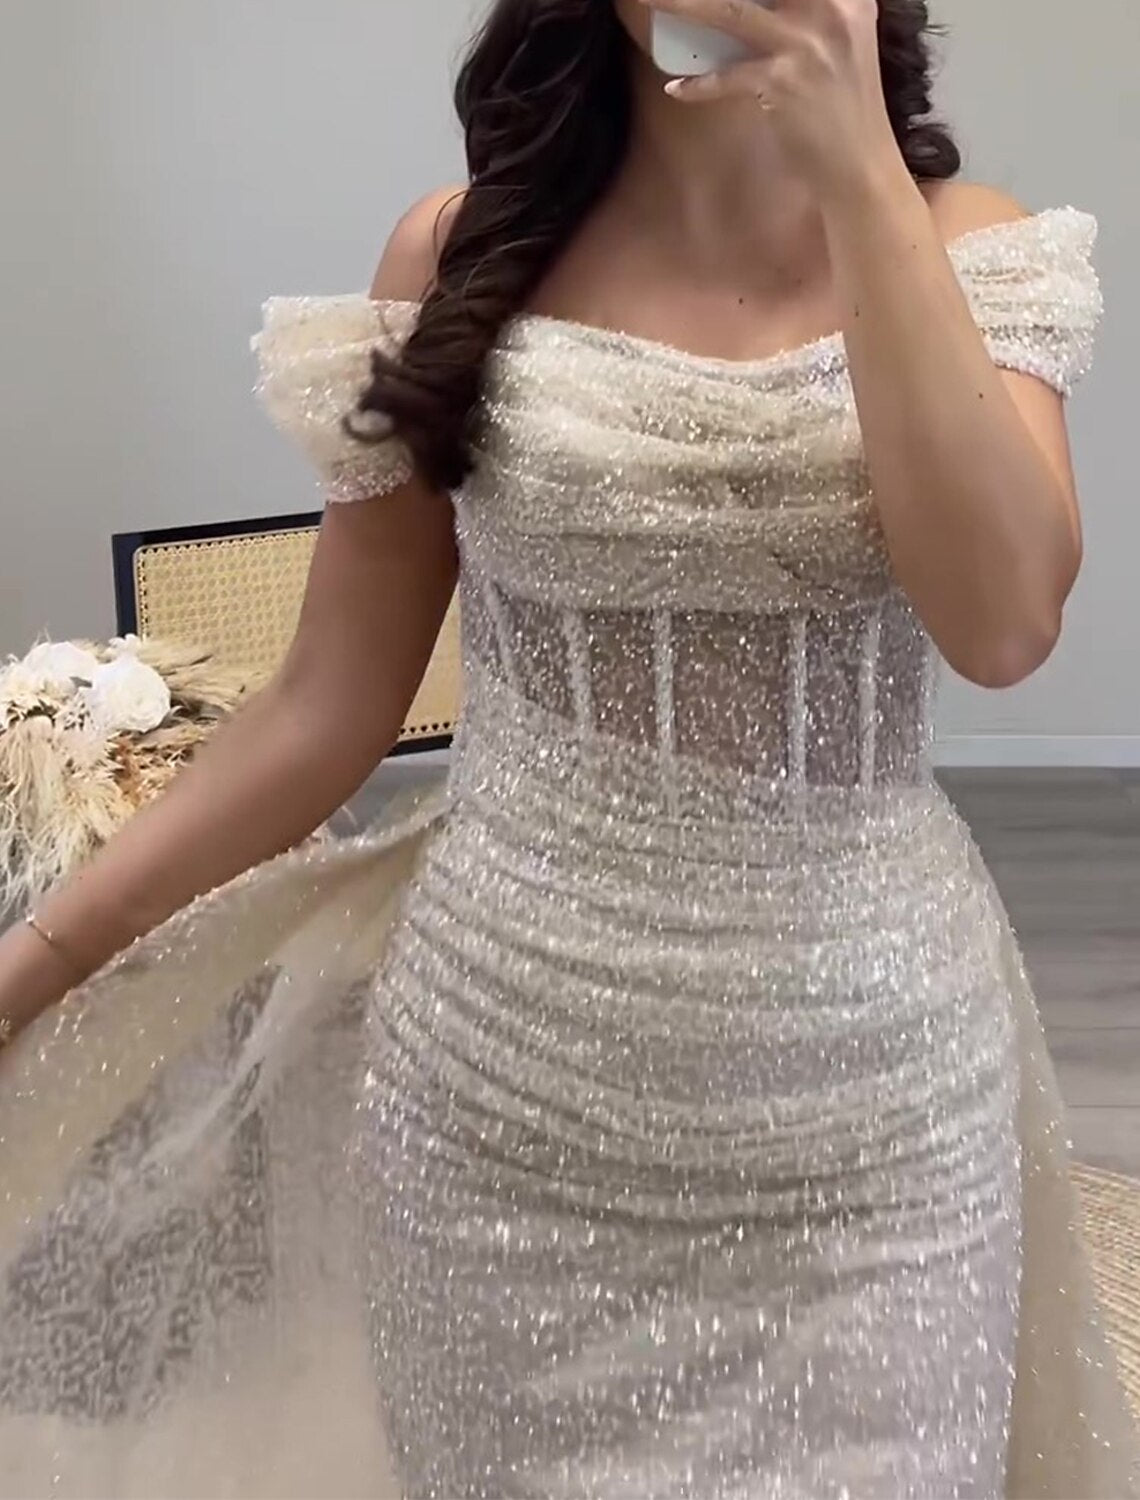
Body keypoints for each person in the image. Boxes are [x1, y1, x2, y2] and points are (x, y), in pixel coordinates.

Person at [0, 0, 1136, 1495]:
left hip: (871, 1128)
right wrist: (35, 967)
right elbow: (326, 705)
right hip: (501, 1107)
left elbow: (1001, 622)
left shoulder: (970, 248)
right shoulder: (462, 253)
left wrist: (858, 167)